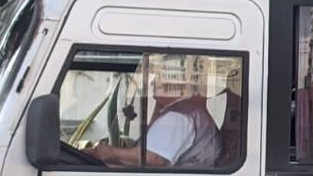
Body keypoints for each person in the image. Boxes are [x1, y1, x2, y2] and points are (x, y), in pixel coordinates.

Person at [89, 57, 219, 168]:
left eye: (161, 78)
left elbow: (154, 158)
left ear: (179, 86)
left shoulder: (178, 117)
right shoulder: (183, 111)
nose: (152, 82)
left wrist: (111, 152)